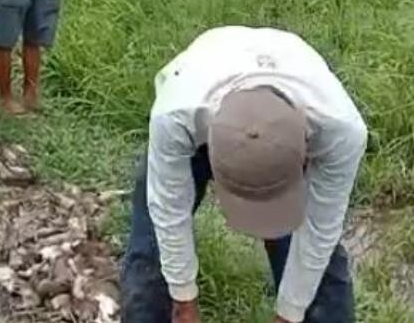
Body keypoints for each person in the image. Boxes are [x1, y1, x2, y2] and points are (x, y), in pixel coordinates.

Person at [119, 26, 367, 323]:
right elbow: (168, 211)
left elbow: (319, 231)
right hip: (201, 115)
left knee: (320, 284)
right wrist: (183, 301)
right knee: (150, 253)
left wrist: (289, 314)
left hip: (289, 127)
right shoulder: (175, 116)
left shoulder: (340, 130)